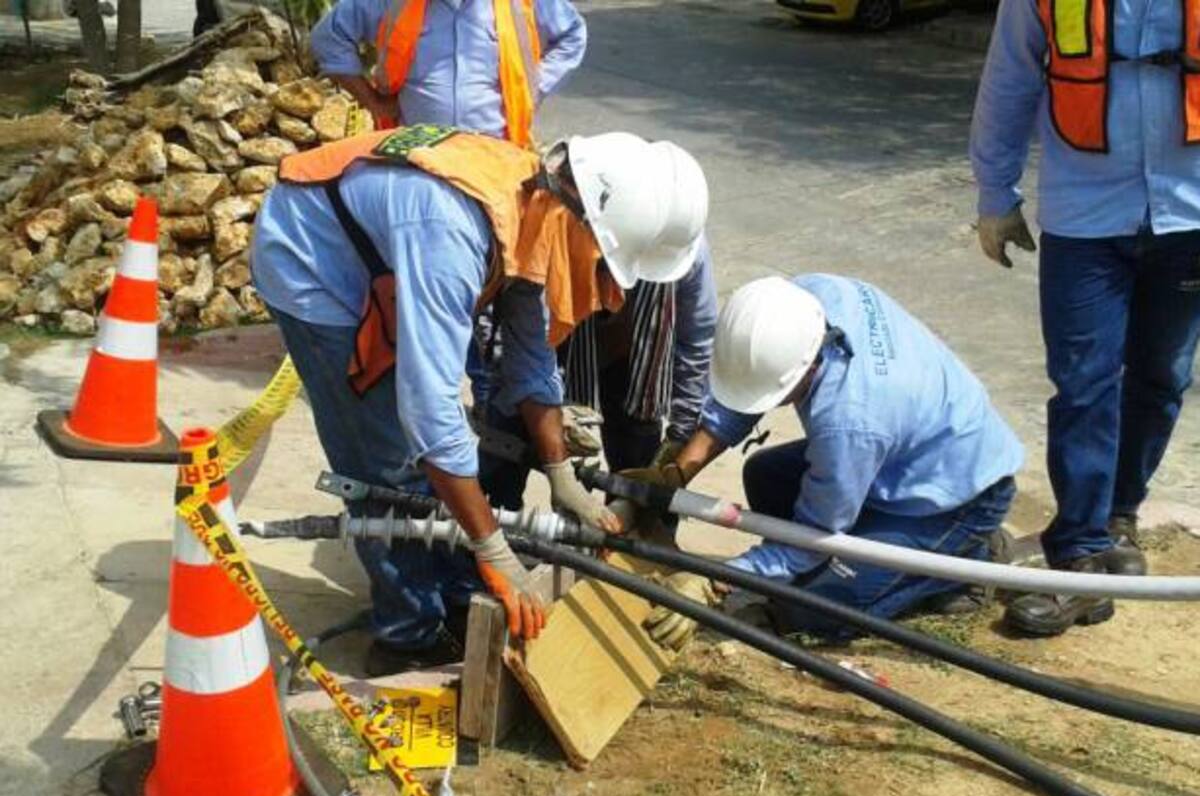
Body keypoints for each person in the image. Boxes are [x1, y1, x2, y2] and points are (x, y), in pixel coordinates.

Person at [250, 125, 708, 675]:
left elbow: (530, 357)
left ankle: (449, 592)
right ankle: (408, 636)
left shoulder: (540, 201)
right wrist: (492, 548)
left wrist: (560, 470)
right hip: (310, 261)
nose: (605, 283)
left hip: (382, 248)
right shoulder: (453, 231)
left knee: (423, 461)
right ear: (585, 220)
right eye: (606, 264)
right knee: (384, 463)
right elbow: (431, 415)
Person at [620, 274, 1024, 643]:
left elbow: (810, 541)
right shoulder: (806, 302)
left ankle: (969, 556)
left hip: (959, 497)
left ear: (806, 371)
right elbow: (750, 388)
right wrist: (676, 473)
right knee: (766, 476)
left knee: (810, 611)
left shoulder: (849, 421)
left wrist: (714, 580)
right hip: (911, 455)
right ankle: (876, 545)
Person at [969, 0, 1200, 634]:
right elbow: (1010, 78)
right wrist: (995, 194)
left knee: (1162, 376)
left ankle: (1117, 516)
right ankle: (1078, 555)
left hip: (1192, 211)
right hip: (1085, 216)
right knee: (1083, 384)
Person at [477, 237, 718, 511]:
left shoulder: (685, 248)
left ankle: (622, 544)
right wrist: (542, 408)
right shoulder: (555, 232)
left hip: (636, 367)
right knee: (501, 466)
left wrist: (680, 436)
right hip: (547, 350)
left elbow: (697, 342)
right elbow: (505, 329)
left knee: (642, 494)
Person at [310, 0, 587, 145]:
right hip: (416, 157)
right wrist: (372, 101)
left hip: (497, 157)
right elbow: (328, 37)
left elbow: (573, 34)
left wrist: (530, 90)